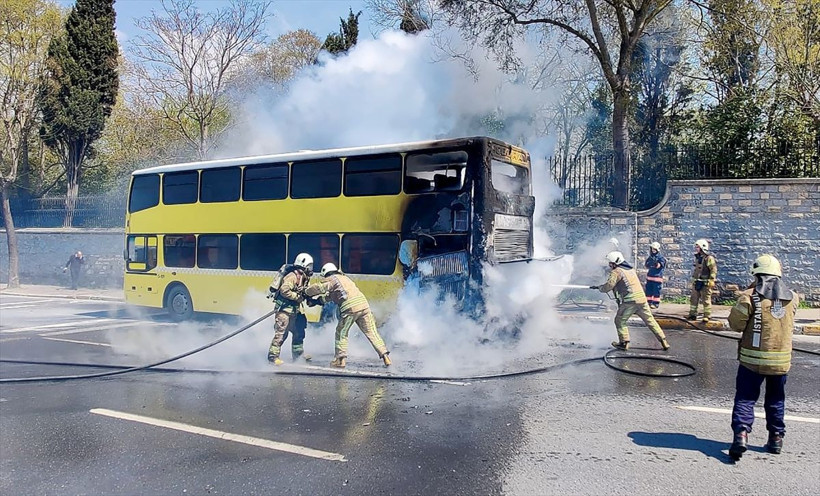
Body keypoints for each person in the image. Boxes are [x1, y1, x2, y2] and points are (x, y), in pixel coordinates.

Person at [727, 254, 798, 461]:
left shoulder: (749, 296)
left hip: (752, 362)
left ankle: (741, 435)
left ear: (757, 275)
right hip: (780, 363)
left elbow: (736, 324)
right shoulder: (793, 297)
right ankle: (776, 439)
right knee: (776, 399)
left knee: (745, 398)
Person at [305, 263, 391, 368]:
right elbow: (331, 297)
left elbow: (319, 288)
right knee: (372, 332)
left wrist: (306, 292)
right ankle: (386, 357)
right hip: (364, 306)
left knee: (341, 332)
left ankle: (340, 360)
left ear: (326, 273)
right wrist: (316, 302)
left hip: (350, 308)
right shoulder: (345, 278)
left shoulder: (332, 279)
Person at [591, 251, 670, 351]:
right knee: (650, 320)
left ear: (615, 262)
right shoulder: (630, 269)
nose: (609, 265)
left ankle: (624, 343)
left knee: (619, 320)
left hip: (630, 301)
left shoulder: (617, 272)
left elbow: (609, 286)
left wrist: (600, 288)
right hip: (642, 300)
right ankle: (663, 341)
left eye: (610, 263)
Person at [267, 253, 314, 365]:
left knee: (298, 331)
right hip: (284, 310)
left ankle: (298, 356)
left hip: (294, 311)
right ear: (303, 265)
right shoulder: (292, 276)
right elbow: (284, 290)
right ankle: (273, 357)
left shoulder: (303, 277)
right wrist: (297, 297)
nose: (311, 269)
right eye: (309, 266)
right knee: (281, 334)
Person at [688, 238, 717, 322]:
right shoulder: (698, 258)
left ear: (702, 248)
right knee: (693, 299)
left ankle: (707, 316)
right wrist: (693, 279)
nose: (696, 249)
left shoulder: (709, 258)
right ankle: (692, 315)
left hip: (706, 283)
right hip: (697, 282)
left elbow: (713, 269)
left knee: (706, 300)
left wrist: (711, 280)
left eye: (698, 247)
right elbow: (696, 270)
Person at [644, 242, 666, 309]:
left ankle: (655, 303)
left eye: (654, 249)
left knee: (656, 291)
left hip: (657, 278)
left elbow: (660, 265)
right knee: (648, 291)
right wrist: (649, 263)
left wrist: (656, 263)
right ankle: (648, 302)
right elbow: (646, 265)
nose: (653, 250)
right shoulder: (650, 257)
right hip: (650, 277)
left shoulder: (660, 258)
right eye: (652, 249)